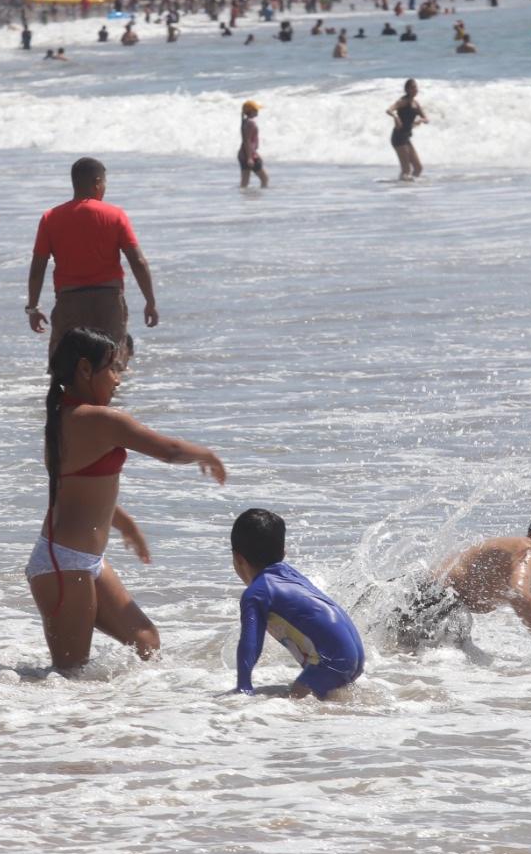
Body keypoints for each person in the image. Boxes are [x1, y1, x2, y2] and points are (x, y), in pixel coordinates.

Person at [25, 327, 225, 670]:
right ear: (85, 370)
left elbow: (77, 495)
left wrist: (125, 524)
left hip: (81, 561)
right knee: (69, 678)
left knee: (146, 641)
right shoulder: (99, 419)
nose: (119, 380)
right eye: (114, 368)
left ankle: (125, 717)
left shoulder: (64, 419)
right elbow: (169, 450)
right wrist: (207, 453)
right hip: (64, 564)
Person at [362, 492, 531, 667]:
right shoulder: (525, 553)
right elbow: (518, 594)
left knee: (399, 660)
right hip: (429, 600)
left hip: (438, 607)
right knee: (399, 660)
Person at [26, 157, 158, 358]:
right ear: (97, 182)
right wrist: (150, 302)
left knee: (66, 366)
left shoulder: (50, 217)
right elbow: (138, 262)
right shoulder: (115, 215)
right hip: (108, 301)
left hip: (69, 302)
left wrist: (33, 308)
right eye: (104, 183)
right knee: (110, 365)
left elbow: (37, 269)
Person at [231, 508, 364, 700]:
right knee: (323, 703)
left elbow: (250, 644)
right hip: (353, 653)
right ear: (283, 553)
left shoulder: (256, 593)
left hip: (331, 659)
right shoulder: (290, 575)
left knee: (293, 708)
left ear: (238, 558)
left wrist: (243, 688)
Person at [386, 79, 427, 181]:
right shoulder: (402, 102)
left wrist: (420, 120)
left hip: (406, 137)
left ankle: (408, 189)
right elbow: (389, 110)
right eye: (412, 87)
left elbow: (426, 119)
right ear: (407, 89)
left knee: (418, 168)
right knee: (406, 169)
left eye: (416, 87)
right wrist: (396, 117)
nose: (415, 89)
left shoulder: (416, 104)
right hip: (398, 137)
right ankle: (402, 191)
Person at [238, 100, 268, 189]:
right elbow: (247, 141)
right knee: (264, 179)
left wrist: (253, 154)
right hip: (248, 155)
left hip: (243, 154)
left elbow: (246, 141)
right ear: (250, 111)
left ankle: (243, 200)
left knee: (244, 182)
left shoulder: (245, 122)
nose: (257, 111)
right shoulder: (250, 123)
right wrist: (250, 157)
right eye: (255, 110)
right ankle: (263, 199)